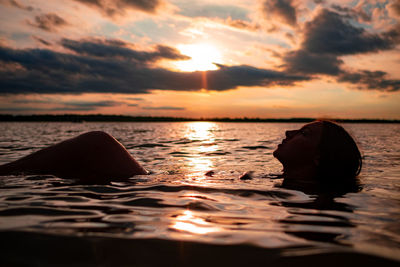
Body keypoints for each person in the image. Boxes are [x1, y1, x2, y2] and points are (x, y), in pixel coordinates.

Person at [0, 120, 362, 190]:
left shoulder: (292, 196)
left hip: (144, 190)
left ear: (318, 159)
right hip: (155, 184)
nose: (289, 131)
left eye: (305, 133)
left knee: (99, 142)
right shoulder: (275, 183)